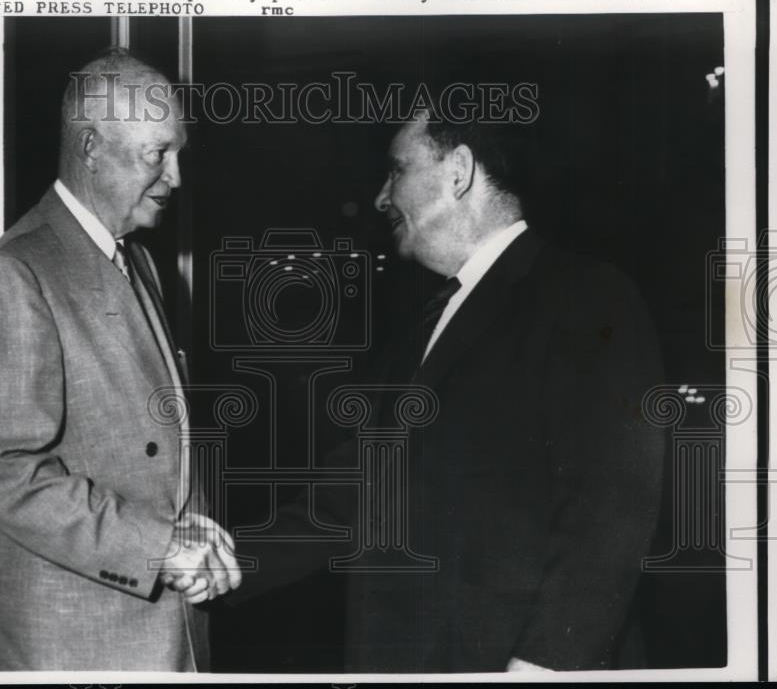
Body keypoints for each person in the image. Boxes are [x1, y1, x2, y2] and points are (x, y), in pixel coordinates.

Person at [232, 110, 665, 672]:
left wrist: (544, 664)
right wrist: (228, 564)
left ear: (458, 171)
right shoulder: (420, 329)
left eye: (397, 170)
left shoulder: (587, 298)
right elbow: (352, 494)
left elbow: (613, 505)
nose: (381, 197)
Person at [0, 49, 240, 671]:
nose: (175, 177)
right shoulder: (18, 271)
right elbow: (6, 474)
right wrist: (160, 547)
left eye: (177, 153)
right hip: (79, 643)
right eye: (156, 153)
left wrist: (192, 529)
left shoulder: (137, 260)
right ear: (89, 148)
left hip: (164, 632)